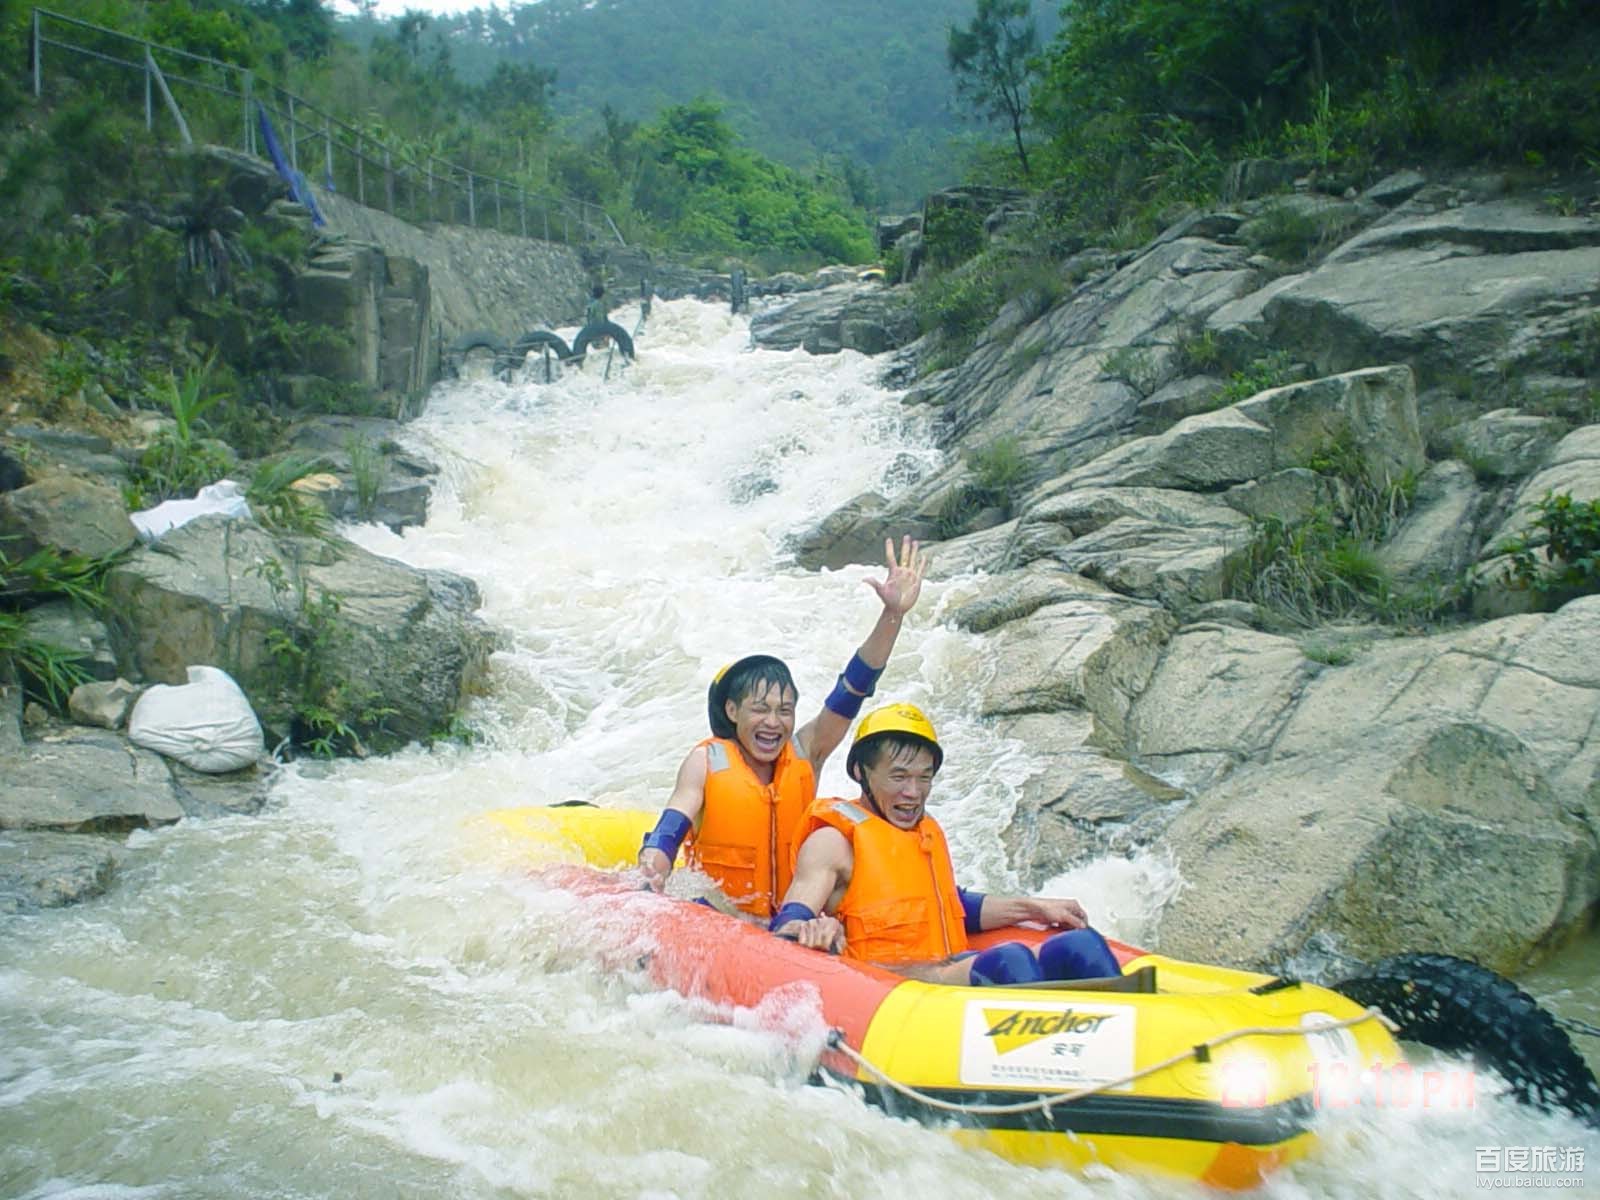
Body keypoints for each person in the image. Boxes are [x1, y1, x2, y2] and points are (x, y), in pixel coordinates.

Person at [636, 537, 929, 918]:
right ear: (732, 710)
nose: (774, 722)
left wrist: (894, 616)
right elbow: (672, 826)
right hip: (720, 917)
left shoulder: (808, 752)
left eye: (785, 710)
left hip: (793, 917)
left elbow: (853, 690)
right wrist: (651, 869)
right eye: (761, 709)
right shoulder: (706, 762)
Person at [770, 703, 1123, 987]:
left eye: (924, 777)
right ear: (861, 772)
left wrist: (1030, 907)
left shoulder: (920, 832)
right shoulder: (832, 842)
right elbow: (786, 928)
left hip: (948, 966)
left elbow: (950, 904)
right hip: (891, 985)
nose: (914, 792)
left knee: (1083, 945)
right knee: (1010, 961)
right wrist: (811, 930)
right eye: (899, 777)